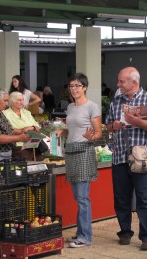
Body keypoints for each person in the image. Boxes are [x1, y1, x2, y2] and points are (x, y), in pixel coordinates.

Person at [106, 66, 147, 251]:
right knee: (121, 198)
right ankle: (125, 232)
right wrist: (113, 125)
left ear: (134, 82)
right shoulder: (116, 101)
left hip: (141, 157)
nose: (118, 84)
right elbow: (108, 126)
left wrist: (139, 122)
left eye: (121, 81)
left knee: (145, 198)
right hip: (120, 156)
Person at [56, 73, 102, 248]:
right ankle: (81, 231)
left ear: (85, 87)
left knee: (83, 197)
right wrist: (63, 132)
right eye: (71, 86)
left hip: (84, 151)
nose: (73, 89)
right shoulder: (70, 107)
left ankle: (85, 237)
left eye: (77, 86)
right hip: (71, 151)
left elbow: (97, 133)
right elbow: (72, 130)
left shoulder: (92, 106)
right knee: (77, 196)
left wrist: (91, 136)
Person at [3, 92, 42, 161]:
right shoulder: (5, 114)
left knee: (39, 166)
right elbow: (5, 130)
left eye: (22, 100)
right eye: (19, 100)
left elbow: (37, 127)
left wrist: (32, 128)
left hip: (34, 145)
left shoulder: (26, 112)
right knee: (25, 167)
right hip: (19, 146)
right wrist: (22, 130)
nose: (22, 102)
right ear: (12, 102)